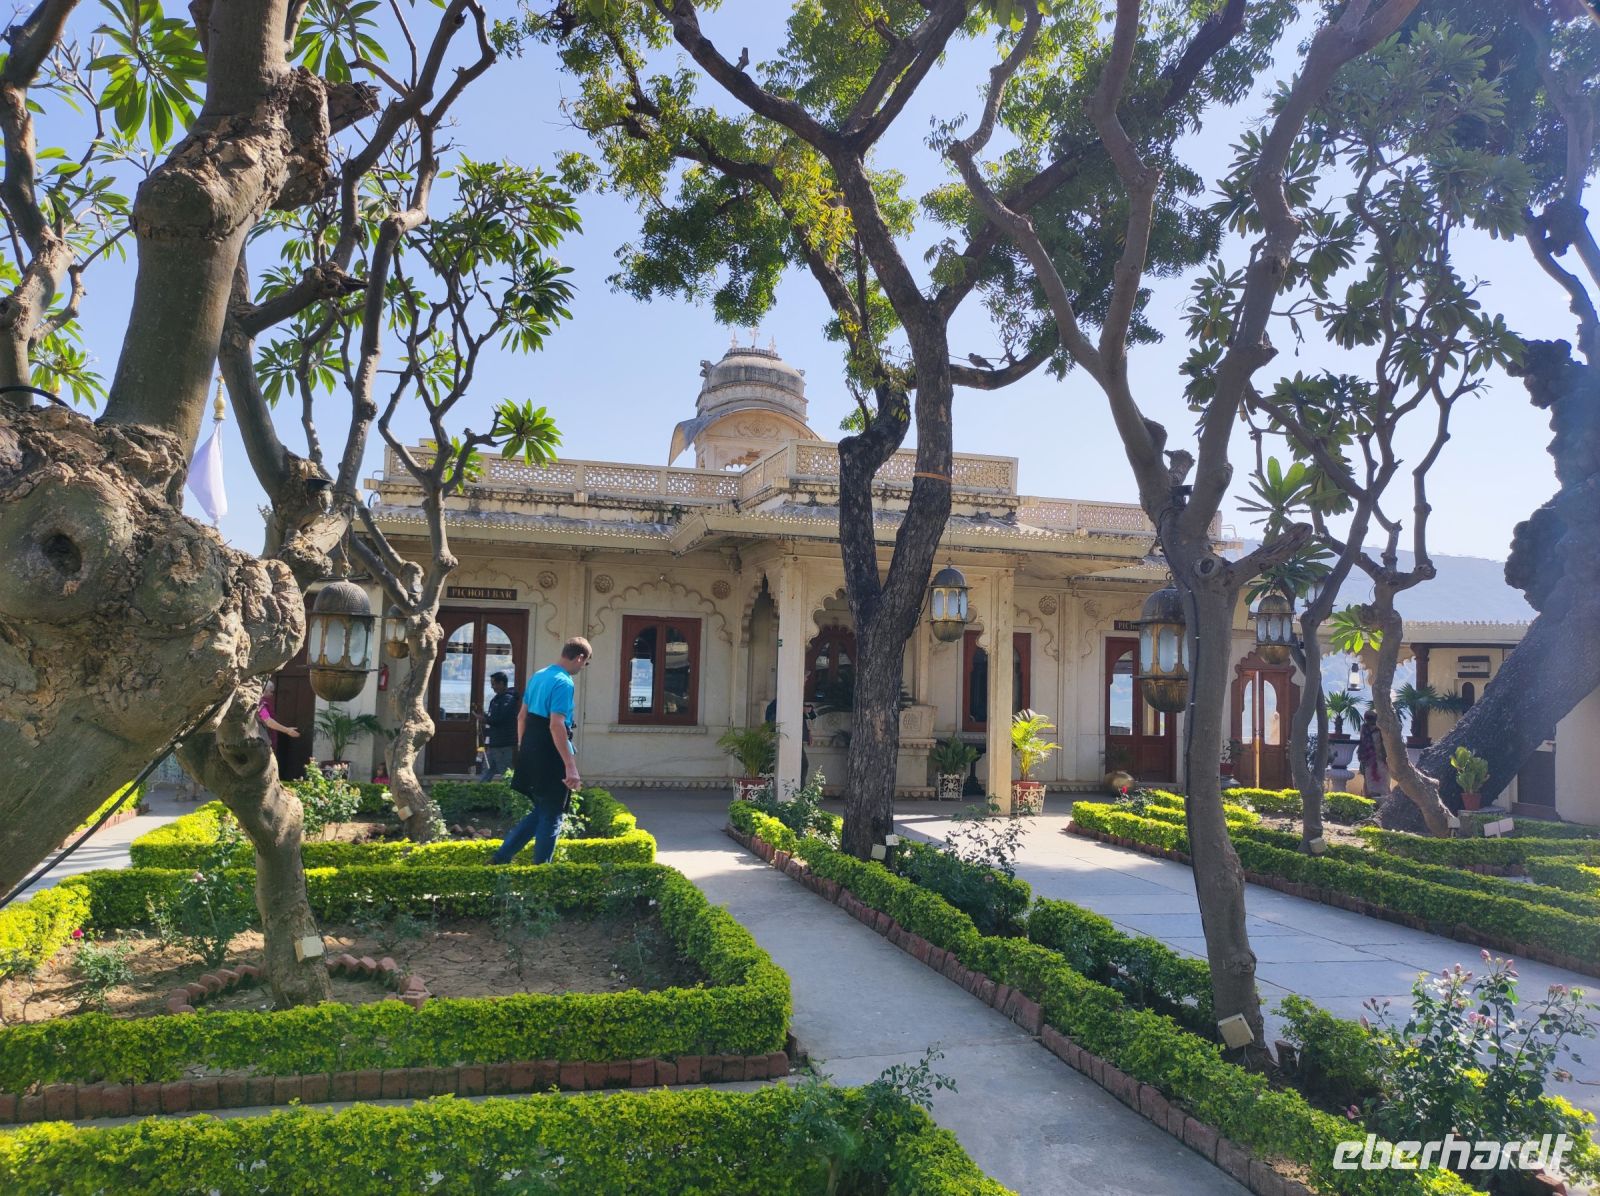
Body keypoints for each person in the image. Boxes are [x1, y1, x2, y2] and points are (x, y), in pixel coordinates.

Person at [492, 637, 592, 865]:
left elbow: (521, 717)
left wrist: (524, 748)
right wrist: (570, 766)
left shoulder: (539, 675)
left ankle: (501, 857)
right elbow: (556, 724)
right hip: (550, 751)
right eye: (585, 664)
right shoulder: (564, 682)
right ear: (579, 658)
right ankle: (541, 872)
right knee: (553, 814)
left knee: (542, 810)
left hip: (531, 746)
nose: (582, 668)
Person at [763, 695, 813, 787]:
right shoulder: (779, 701)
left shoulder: (798, 699)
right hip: (786, 738)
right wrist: (799, 709)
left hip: (797, 739)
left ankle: (800, 789)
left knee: (803, 765)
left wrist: (809, 733)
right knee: (795, 765)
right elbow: (773, 719)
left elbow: (808, 717)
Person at [482, 671, 518, 782]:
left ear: (501, 683)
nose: (492, 687)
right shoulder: (495, 699)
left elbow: (501, 719)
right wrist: (485, 717)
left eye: (494, 684)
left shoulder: (509, 699)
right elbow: (494, 717)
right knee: (487, 769)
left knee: (506, 772)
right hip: (494, 741)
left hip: (504, 743)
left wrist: (485, 719)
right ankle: (480, 789)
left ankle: (511, 791)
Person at [1356, 708, 1388, 797]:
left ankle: (1382, 797)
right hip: (1368, 758)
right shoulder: (1364, 728)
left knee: (1383, 781)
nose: (1369, 720)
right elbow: (1363, 743)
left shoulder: (1381, 729)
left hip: (1381, 759)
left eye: (1371, 718)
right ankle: (1369, 797)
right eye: (1368, 718)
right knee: (1369, 780)